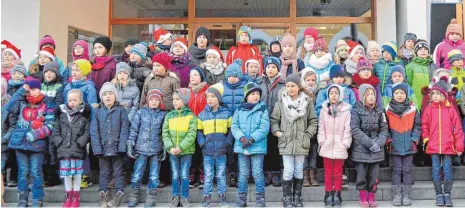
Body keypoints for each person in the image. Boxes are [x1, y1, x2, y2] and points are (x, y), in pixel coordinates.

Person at [6, 77, 55, 207]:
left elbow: (50, 125)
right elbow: (10, 106)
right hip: (20, 142)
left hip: (37, 143)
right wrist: (22, 90)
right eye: (30, 89)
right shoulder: (21, 101)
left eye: (35, 89)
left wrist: (35, 134)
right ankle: (22, 199)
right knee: (23, 172)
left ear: (40, 89)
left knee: (35, 171)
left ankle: (37, 199)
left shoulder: (47, 103)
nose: (32, 92)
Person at [270, 73, 317, 207]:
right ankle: (287, 197)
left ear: (299, 87)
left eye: (293, 86)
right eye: (288, 86)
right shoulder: (281, 104)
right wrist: (278, 132)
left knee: (298, 170)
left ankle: (297, 197)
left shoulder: (307, 103)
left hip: (301, 142)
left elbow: (313, 121)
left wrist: (307, 134)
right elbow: (274, 120)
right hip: (286, 141)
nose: (290, 88)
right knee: (288, 169)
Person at [421, 80, 464, 207]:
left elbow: (458, 129)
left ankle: (447, 194)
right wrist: (426, 140)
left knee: (447, 169)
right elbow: (425, 127)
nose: (434, 96)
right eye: (432, 93)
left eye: (438, 93)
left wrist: (459, 146)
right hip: (434, 145)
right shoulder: (428, 109)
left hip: (448, 145)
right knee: (435, 169)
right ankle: (439, 194)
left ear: (444, 95)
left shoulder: (451, 110)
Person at [90, 82, 129, 208]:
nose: (108, 96)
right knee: (104, 173)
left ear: (115, 96)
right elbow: (94, 131)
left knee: (118, 172)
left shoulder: (121, 111)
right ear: (102, 97)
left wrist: (122, 147)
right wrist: (96, 148)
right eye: (105, 94)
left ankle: (118, 197)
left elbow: (124, 130)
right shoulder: (97, 112)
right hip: (103, 148)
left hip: (117, 149)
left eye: (110, 94)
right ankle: (103, 197)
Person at [232, 82, 270, 207]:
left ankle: (260, 199)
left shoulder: (262, 108)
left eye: (258, 94)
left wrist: (252, 139)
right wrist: (242, 138)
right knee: (243, 173)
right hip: (242, 146)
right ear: (246, 96)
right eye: (252, 94)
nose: (256, 96)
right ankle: (241, 199)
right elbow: (234, 126)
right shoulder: (239, 109)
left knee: (257, 172)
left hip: (257, 146)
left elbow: (264, 127)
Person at [127, 88, 166, 207]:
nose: (154, 102)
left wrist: (164, 148)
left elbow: (164, 133)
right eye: (151, 99)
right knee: (137, 174)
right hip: (141, 149)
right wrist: (130, 143)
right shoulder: (140, 113)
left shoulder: (163, 115)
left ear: (160, 102)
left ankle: (151, 197)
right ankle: (134, 195)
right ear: (148, 101)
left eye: (156, 100)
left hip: (156, 150)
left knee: (154, 175)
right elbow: (134, 130)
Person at [52, 89, 92, 208]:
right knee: (67, 174)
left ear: (80, 101)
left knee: (77, 173)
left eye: (75, 100)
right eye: (70, 100)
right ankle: (68, 195)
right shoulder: (62, 114)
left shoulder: (84, 115)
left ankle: (76, 195)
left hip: (77, 149)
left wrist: (80, 143)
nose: (72, 102)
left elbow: (87, 132)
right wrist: (59, 142)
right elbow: (56, 130)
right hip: (64, 148)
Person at [350, 83, 388, 207]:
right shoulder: (356, 109)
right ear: (362, 96)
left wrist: (379, 143)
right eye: (368, 95)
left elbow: (384, 129)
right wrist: (369, 143)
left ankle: (371, 196)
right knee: (362, 175)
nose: (371, 97)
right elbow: (355, 129)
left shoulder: (379, 110)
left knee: (374, 176)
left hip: (376, 149)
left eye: (373, 94)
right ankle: (363, 197)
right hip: (361, 148)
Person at [197, 83, 233, 207]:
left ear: (219, 98)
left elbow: (230, 130)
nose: (210, 99)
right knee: (208, 175)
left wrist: (227, 143)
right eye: (208, 97)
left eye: (213, 96)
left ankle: (222, 198)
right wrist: (202, 143)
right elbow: (199, 132)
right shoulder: (202, 115)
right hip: (207, 151)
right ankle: (206, 198)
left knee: (221, 175)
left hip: (222, 151)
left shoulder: (227, 114)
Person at [385, 83, 421, 206]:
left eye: (402, 93)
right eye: (396, 93)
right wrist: (388, 140)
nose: (399, 95)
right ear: (393, 94)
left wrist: (414, 139)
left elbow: (418, 126)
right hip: (394, 145)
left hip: (409, 146)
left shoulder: (412, 109)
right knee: (396, 170)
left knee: (407, 170)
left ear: (406, 94)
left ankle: (407, 194)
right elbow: (385, 128)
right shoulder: (388, 110)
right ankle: (397, 194)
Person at [317, 84, 352, 207]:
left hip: (340, 144)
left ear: (340, 95)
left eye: (336, 93)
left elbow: (348, 129)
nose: (333, 95)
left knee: (338, 172)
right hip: (327, 143)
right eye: (331, 93)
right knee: (328, 172)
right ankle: (328, 194)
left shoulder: (346, 111)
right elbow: (321, 127)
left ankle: (337, 195)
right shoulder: (323, 110)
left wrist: (345, 143)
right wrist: (322, 141)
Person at [162, 88, 197, 207]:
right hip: (173, 152)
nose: (174, 102)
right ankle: (175, 196)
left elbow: (191, 135)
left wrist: (181, 147)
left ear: (184, 101)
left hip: (186, 151)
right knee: (175, 174)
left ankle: (185, 197)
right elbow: (165, 133)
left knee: (184, 174)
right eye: (173, 100)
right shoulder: (169, 116)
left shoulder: (191, 116)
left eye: (178, 99)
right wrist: (170, 147)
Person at [258, 56, 285, 187]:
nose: (270, 69)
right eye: (268, 67)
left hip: (276, 121)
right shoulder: (259, 83)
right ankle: (266, 173)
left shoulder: (283, 84)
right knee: (264, 148)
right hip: (262, 121)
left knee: (275, 148)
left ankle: (275, 173)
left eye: (273, 67)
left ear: (278, 69)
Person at [222, 59, 248, 187]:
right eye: (230, 76)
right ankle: (232, 174)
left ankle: (242, 175)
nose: (232, 79)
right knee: (230, 151)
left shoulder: (245, 87)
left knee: (241, 151)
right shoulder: (222, 87)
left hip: (241, 125)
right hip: (227, 125)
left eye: (235, 76)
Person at [41, 62, 65, 187]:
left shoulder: (59, 87)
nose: (48, 73)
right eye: (46, 71)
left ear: (56, 73)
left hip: (53, 122)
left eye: (51, 71)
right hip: (40, 123)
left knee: (52, 148)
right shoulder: (40, 86)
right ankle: (44, 175)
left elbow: (59, 105)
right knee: (43, 148)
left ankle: (53, 176)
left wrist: (47, 104)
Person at [187, 67, 209, 189]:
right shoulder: (186, 91)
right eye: (191, 75)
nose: (192, 77)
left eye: (195, 75)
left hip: (203, 126)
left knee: (202, 152)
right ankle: (192, 174)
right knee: (192, 151)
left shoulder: (206, 91)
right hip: (190, 126)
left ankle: (202, 174)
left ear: (201, 77)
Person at [405, 39, 438, 110]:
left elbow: (436, 83)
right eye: (420, 49)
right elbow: (408, 84)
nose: (423, 51)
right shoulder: (410, 67)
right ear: (416, 52)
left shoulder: (434, 66)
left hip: (431, 100)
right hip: (415, 100)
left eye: (425, 49)